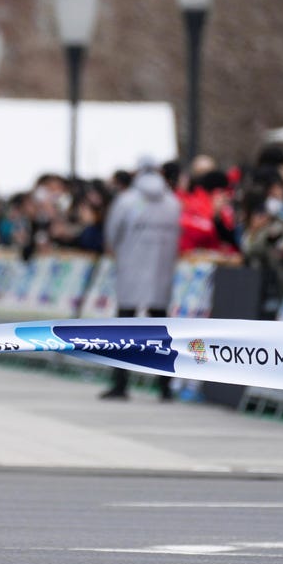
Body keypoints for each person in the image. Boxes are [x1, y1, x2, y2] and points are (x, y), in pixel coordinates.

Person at [98, 158, 181, 401]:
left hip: (131, 270)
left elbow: (112, 234)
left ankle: (121, 384)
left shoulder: (127, 201)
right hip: (161, 271)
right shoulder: (172, 202)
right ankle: (165, 387)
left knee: (123, 330)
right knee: (161, 331)